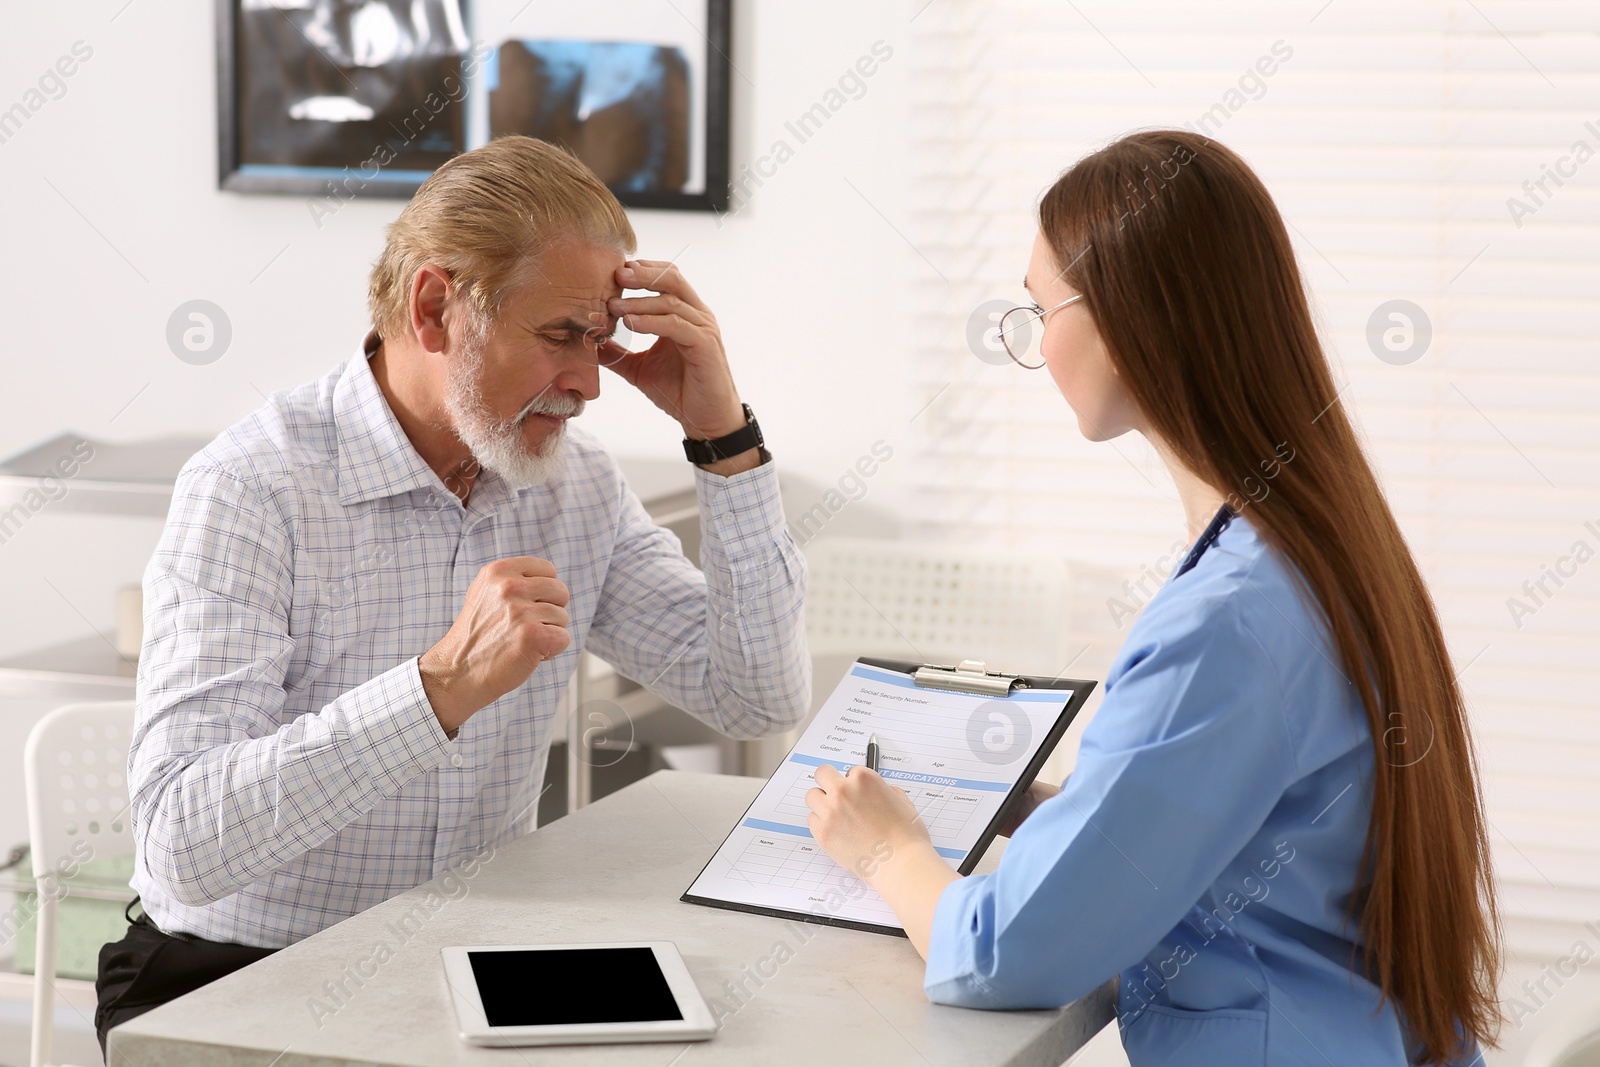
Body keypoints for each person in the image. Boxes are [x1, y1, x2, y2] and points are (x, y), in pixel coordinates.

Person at [96, 135, 811, 1053]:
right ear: (435, 308)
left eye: (599, 341)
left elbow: (757, 694)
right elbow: (181, 843)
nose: (590, 383)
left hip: (462, 971)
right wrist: (438, 687)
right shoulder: (251, 487)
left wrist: (723, 435)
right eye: (561, 337)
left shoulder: (576, 485)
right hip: (235, 977)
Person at [805, 130, 1499, 1066]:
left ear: (1128, 319)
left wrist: (886, 850)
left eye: (1038, 309)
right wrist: (1075, 811)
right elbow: (1252, 813)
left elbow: (1007, 954)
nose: (1034, 344)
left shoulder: (1230, 619)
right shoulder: (1317, 545)